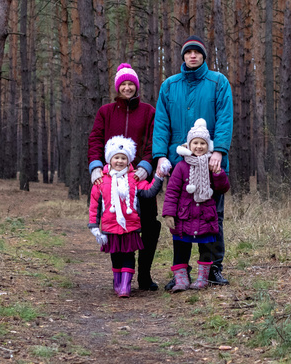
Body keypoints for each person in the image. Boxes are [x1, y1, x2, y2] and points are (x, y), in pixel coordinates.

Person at [152, 35, 234, 287]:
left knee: (212, 217)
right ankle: (181, 273)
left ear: (204, 56)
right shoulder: (169, 86)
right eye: (188, 52)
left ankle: (213, 269)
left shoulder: (218, 82)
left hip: (211, 164)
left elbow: (224, 118)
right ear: (183, 57)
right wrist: (160, 156)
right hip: (179, 164)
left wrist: (218, 150)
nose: (193, 56)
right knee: (180, 218)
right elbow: (161, 123)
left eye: (197, 52)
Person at [87, 62, 162, 290]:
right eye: (124, 84)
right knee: (114, 228)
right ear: (118, 87)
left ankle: (144, 275)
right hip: (110, 178)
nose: (127, 88)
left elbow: (153, 142)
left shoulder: (148, 111)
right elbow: (95, 140)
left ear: (136, 87)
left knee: (149, 225)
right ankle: (120, 275)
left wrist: (147, 166)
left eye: (131, 84)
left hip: (139, 178)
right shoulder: (105, 112)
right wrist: (96, 167)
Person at [88, 136, 165, 297]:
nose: (120, 161)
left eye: (123, 158)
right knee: (116, 257)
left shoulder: (134, 178)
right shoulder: (102, 180)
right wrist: (94, 226)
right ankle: (117, 282)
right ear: (110, 159)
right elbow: (95, 204)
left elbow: (149, 192)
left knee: (129, 256)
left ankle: (125, 286)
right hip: (110, 227)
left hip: (130, 226)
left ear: (128, 160)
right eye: (116, 158)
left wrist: (159, 176)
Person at [161, 119, 230, 291]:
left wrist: (218, 174)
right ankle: (181, 279)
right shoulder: (181, 167)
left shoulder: (212, 165)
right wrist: (169, 214)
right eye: (195, 143)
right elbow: (171, 192)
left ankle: (202, 278)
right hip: (184, 216)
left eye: (202, 143)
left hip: (205, 216)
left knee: (206, 247)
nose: (199, 147)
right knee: (181, 247)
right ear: (189, 145)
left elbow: (222, 188)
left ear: (208, 146)